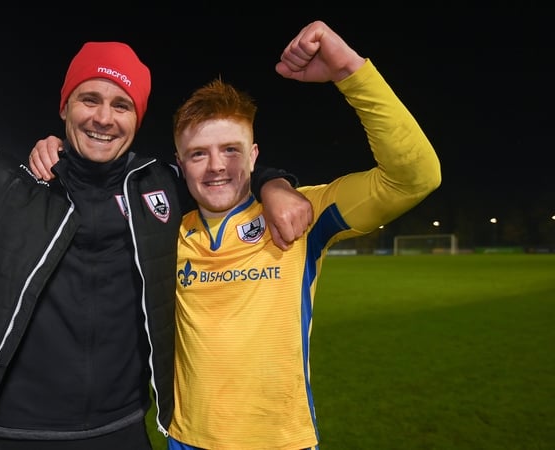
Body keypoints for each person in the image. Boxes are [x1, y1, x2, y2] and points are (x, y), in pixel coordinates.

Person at [0, 4, 312, 450]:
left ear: (137, 120)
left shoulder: (158, 187)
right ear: (64, 107)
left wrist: (274, 184)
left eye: (121, 105)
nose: (103, 117)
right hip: (16, 435)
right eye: (89, 99)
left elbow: (225, 176)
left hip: (123, 432)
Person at [29, 19, 441, 450]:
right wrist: (58, 151)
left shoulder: (303, 215)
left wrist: (349, 72)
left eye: (230, 150)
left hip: (282, 442)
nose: (216, 166)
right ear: (179, 162)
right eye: (198, 154)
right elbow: (98, 188)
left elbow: (415, 178)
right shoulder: (162, 229)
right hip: (186, 442)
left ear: (254, 154)